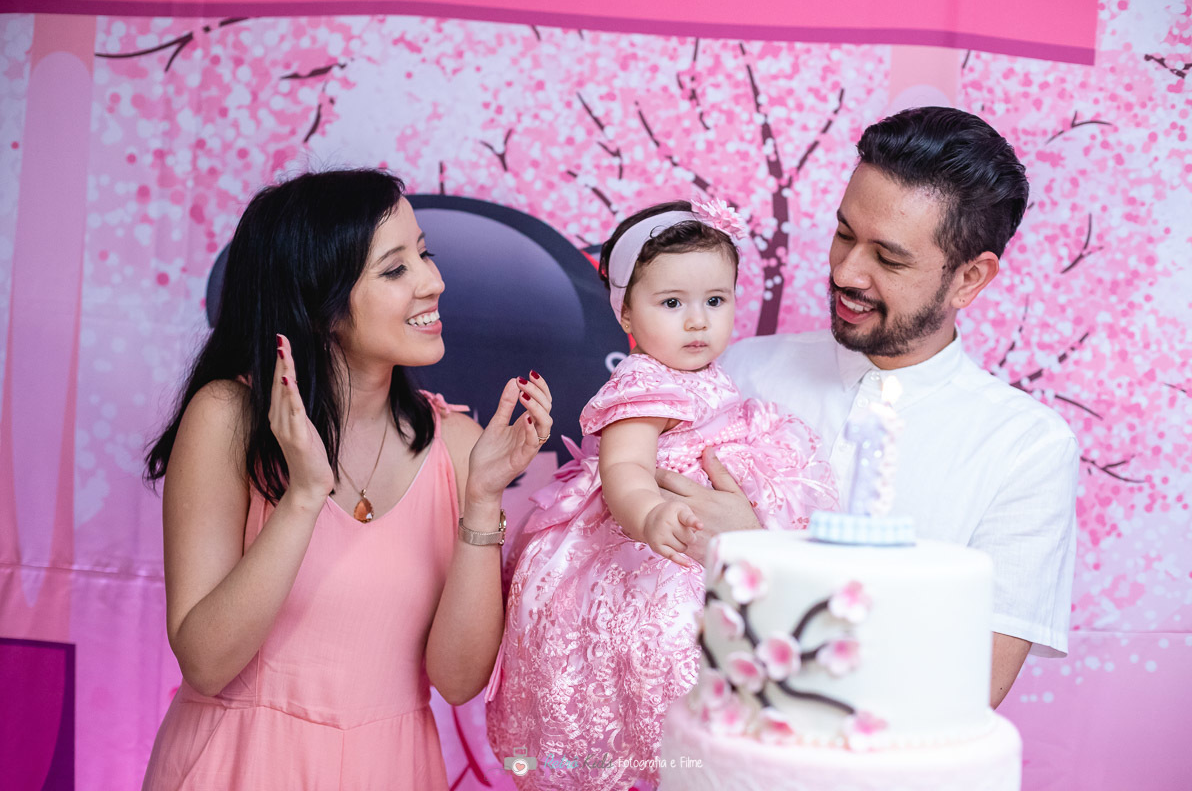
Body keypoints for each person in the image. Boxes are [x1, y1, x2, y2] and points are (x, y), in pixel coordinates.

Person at [140, 169, 552, 789]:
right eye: (395, 270)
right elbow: (205, 661)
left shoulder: (463, 448)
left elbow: (458, 679)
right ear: (319, 301)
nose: (433, 282)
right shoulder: (228, 418)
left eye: (424, 255)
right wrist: (304, 496)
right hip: (239, 764)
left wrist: (483, 500)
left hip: (391, 769)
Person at [659, 106, 1079, 708]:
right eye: (843, 234)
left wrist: (755, 551)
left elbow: (965, 692)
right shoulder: (737, 373)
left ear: (970, 279)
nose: (846, 271)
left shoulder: (1025, 448)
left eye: (888, 258)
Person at [485, 199, 837, 789]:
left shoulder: (711, 378)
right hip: (654, 538)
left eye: (715, 302)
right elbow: (623, 469)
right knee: (661, 643)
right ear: (625, 310)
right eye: (672, 304)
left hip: (709, 531)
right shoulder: (642, 384)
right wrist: (649, 513)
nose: (697, 321)